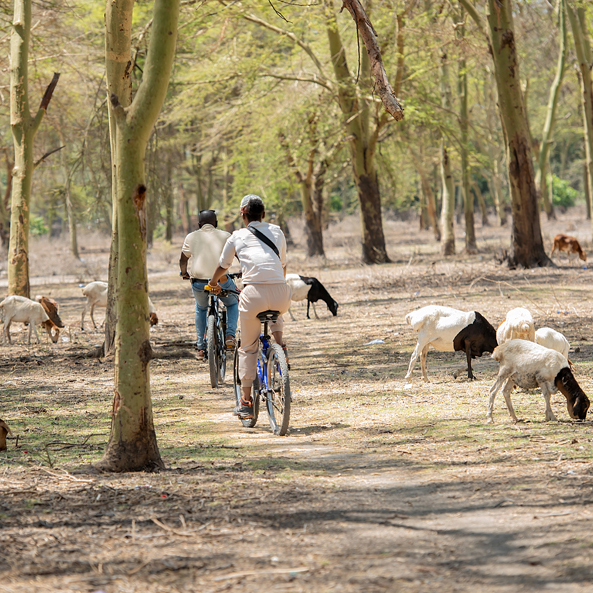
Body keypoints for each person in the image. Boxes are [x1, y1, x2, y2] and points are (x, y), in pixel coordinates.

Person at [208, 195, 292, 419]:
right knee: (275, 308)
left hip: (253, 294)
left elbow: (223, 265)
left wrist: (212, 283)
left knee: (248, 347)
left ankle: (245, 401)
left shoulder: (237, 236)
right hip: (282, 293)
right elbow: (282, 265)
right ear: (263, 214)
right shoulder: (277, 232)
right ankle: (280, 346)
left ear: (243, 214)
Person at [179, 209, 239, 361]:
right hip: (222, 281)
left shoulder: (191, 236)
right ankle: (230, 335)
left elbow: (183, 259)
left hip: (199, 283)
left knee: (201, 308)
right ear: (216, 223)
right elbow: (239, 255)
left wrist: (184, 273)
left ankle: (200, 347)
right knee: (232, 304)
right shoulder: (226, 235)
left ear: (199, 224)